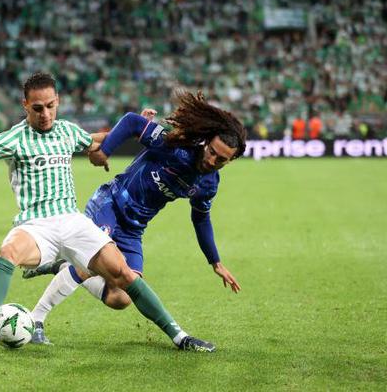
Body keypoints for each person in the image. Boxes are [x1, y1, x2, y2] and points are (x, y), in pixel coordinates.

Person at [0, 72, 216, 357]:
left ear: (58, 101)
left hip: (73, 221)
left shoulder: (67, 131)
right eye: (38, 108)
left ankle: (180, 337)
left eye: (51, 106)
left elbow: (98, 141)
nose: (45, 114)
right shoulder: (13, 138)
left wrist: (139, 126)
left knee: (124, 280)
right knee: (7, 252)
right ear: (25, 105)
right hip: (35, 225)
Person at [24, 89, 245, 346]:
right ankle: (35, 320)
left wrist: (215, 261)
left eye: (220, 159)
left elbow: (201, 219)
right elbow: (131, 122)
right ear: (206, 143)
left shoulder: (208, 184)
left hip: (134, 229)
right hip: (110, 204)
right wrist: (105, 151)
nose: (212, 159)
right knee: (87, 264)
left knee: (121, 298)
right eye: (211, 151)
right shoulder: (176, 146)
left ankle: (63, 266)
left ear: (230, 160)